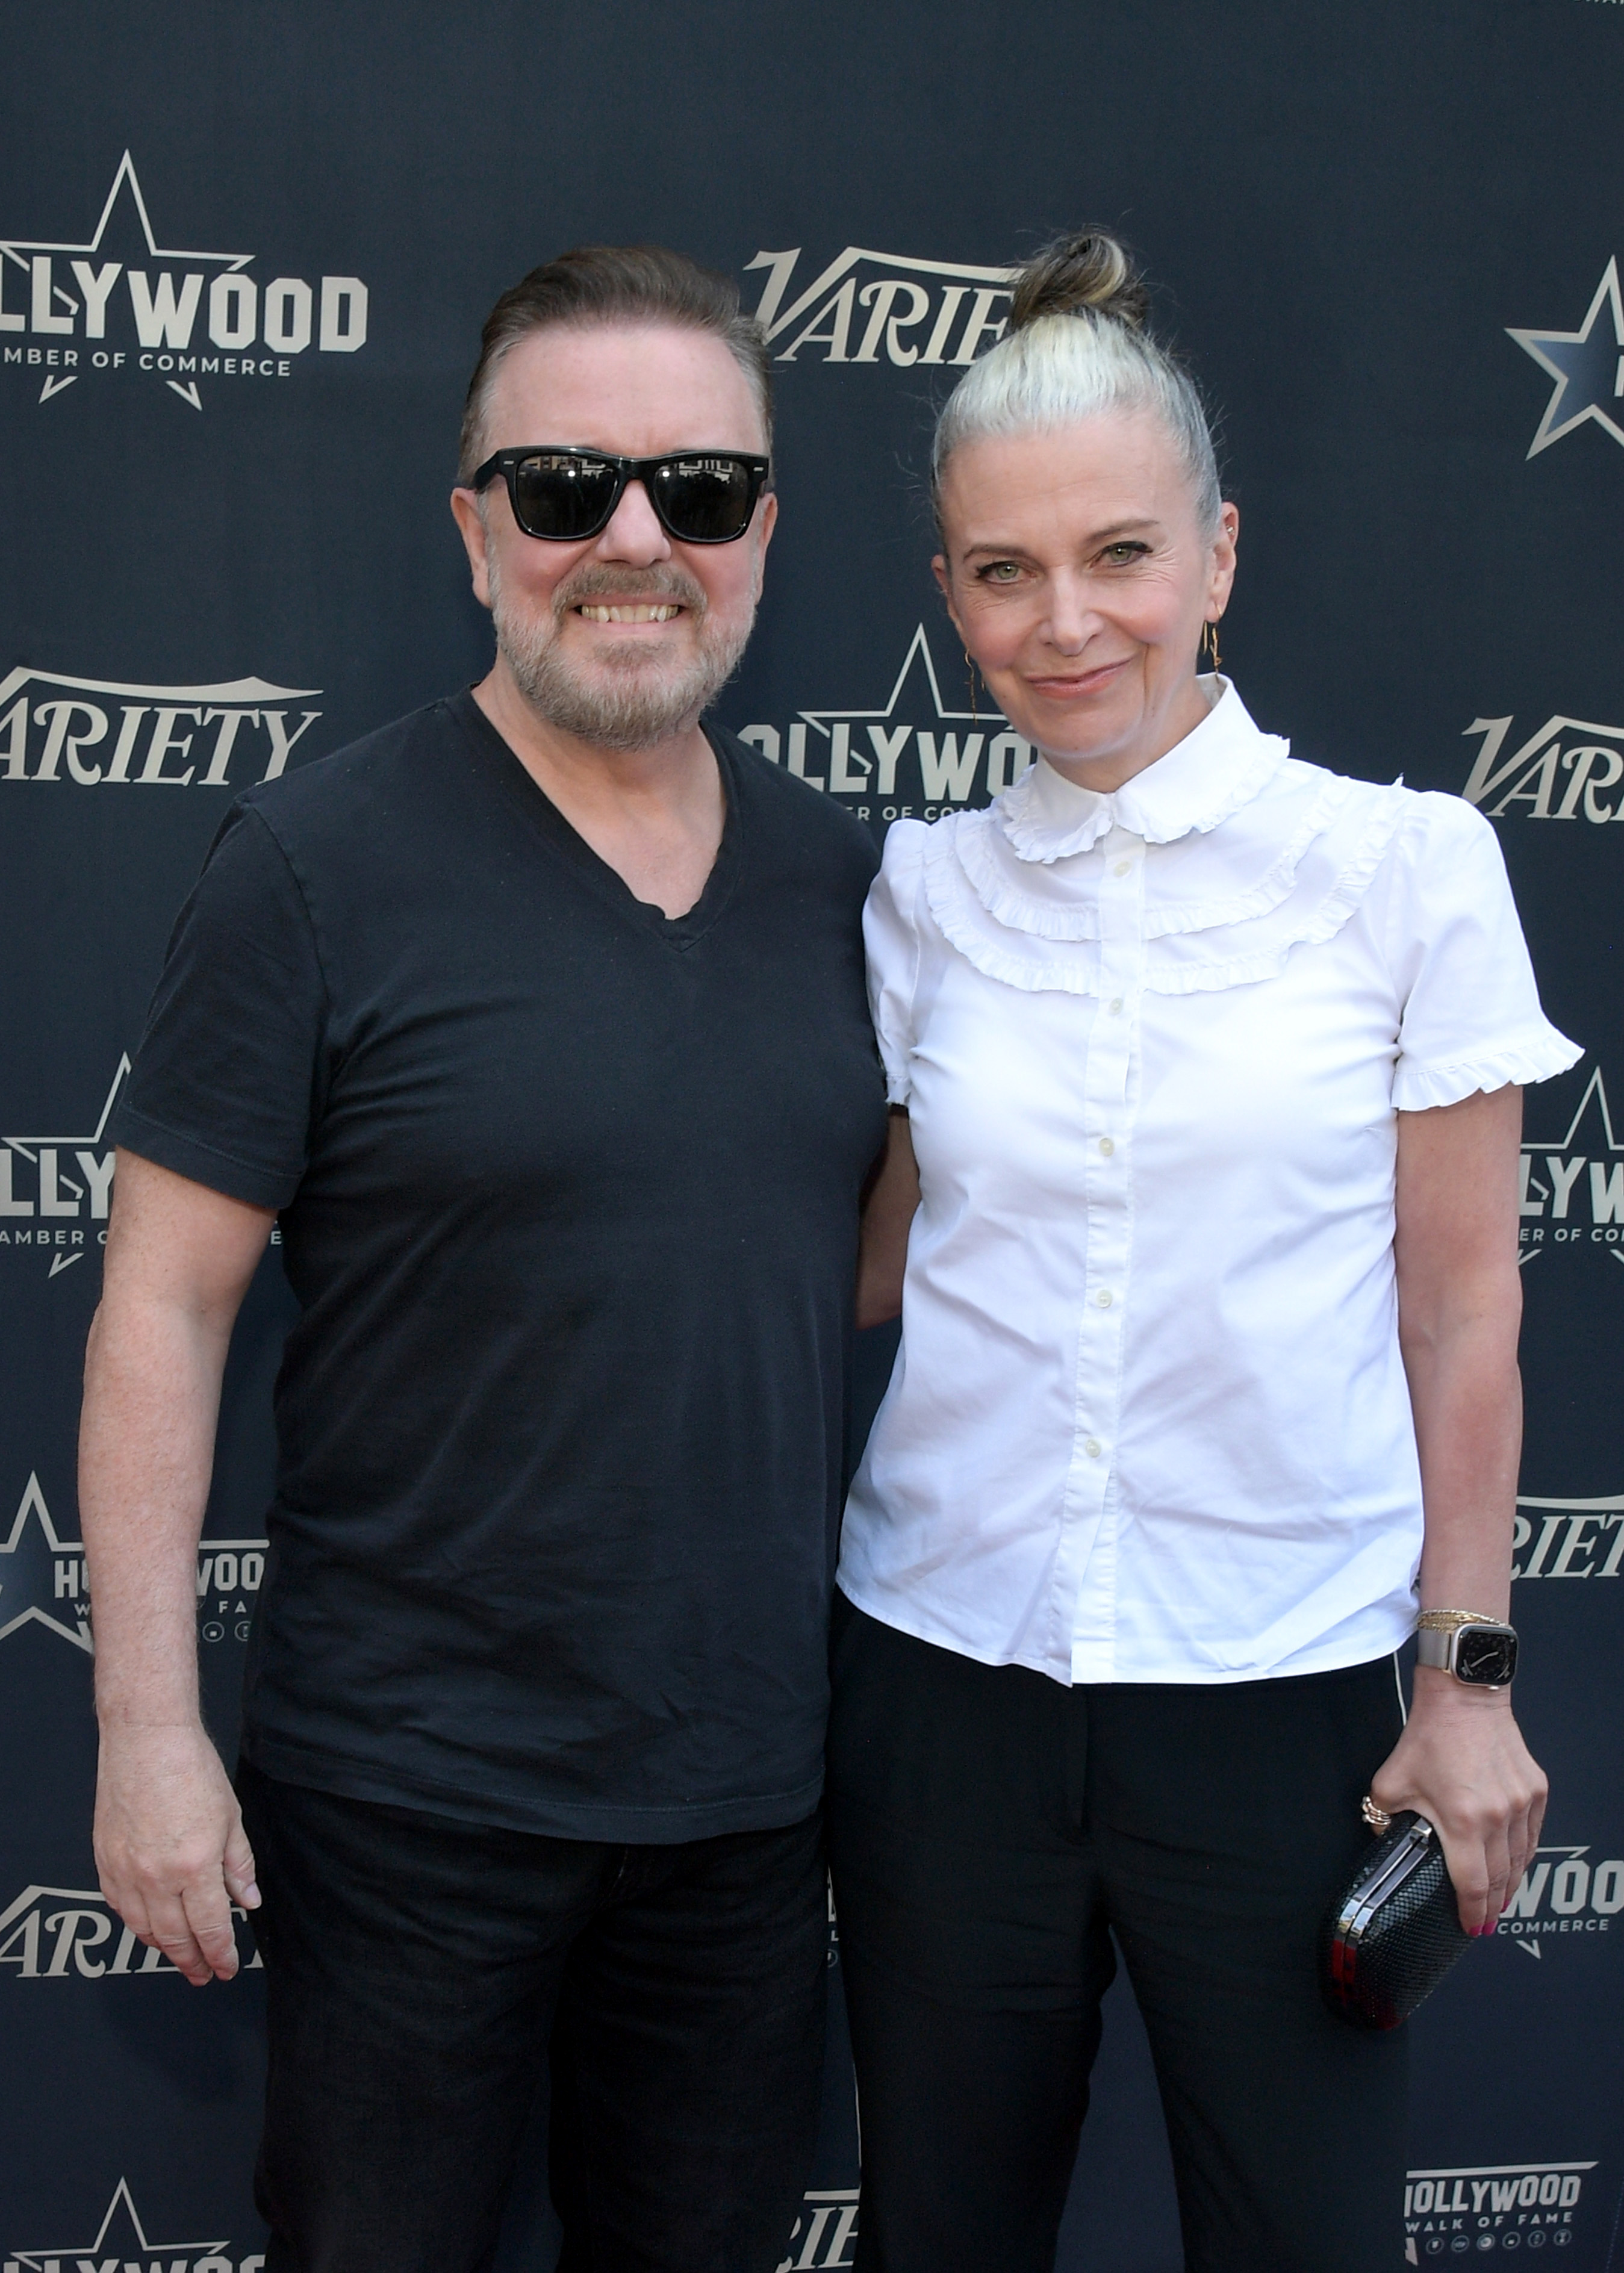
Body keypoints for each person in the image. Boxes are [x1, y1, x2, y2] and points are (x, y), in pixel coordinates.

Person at [79, 244, 886, 2273]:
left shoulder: (861, 892)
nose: (634, 540)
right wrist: (149, 1738)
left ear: (763, 537)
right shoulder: (312, 870)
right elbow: (162, 1313)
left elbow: (854, 1272)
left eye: (697, 491)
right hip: (402, 1811)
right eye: (562, 487)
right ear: (473, 532)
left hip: (743, 1806)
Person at [827, 229, 1574, 2273]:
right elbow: (871, 1261)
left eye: (1120, 556)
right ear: (948, 595)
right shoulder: (911, 897)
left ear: (1219, 556)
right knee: (937, 2237)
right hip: (938, 1684)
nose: (1063, 623)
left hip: (1282, 1708)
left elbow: (1462, 1307)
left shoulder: (1405, 871)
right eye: (1000, 571)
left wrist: (1469, 1677)